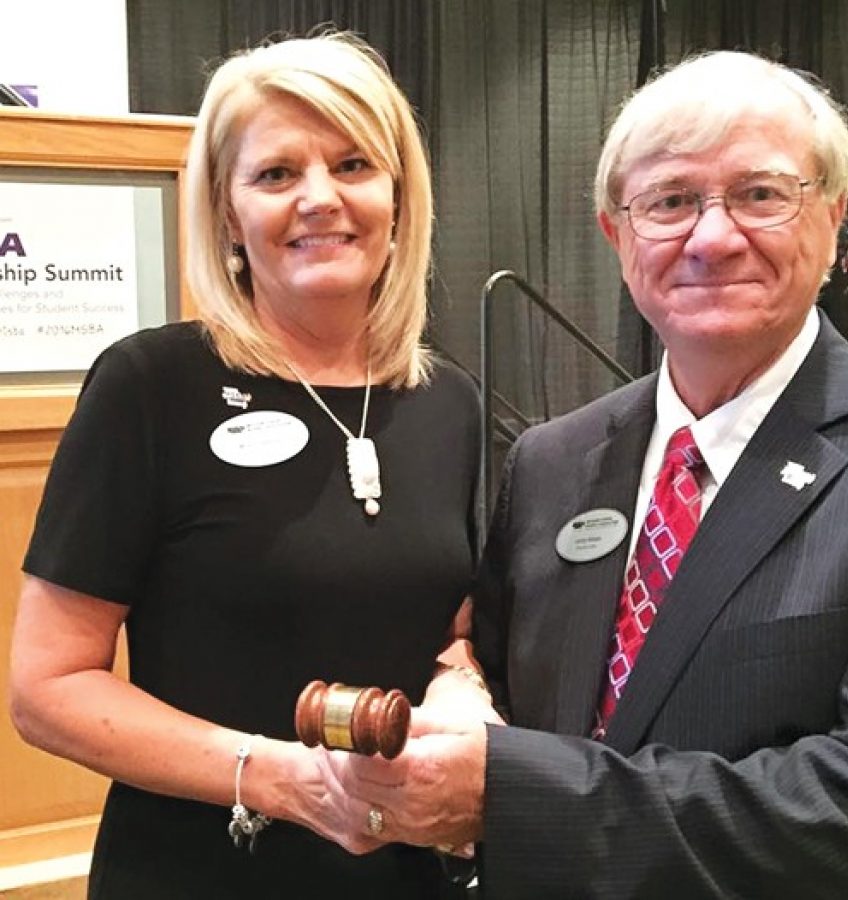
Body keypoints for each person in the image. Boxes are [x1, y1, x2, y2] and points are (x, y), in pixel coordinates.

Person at [332, 50, 848, 897]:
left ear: (834, 215)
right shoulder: (553, 460)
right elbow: (498, 682)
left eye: (760, 195)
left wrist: (513, 795)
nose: (711, 237)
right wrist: (457, 692)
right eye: (670, 201)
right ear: (617, 234)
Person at [9, 33, 497, 899]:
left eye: (352, 164)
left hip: (405, 874)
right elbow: (48, 689)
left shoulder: (447, 400)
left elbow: (452, 627)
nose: (320, 199)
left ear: (398, 196)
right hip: (203, 870)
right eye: (275, 175)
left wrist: (459, 691)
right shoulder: (151, 386)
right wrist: (283, 781)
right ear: (229, 213)